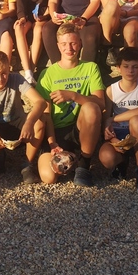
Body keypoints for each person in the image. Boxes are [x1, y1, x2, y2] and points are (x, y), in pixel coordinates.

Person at [36, 24, 105, 186]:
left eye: (73, 43)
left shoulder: (90, 68)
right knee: (49, 178)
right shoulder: (47, 74)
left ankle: (84, 164)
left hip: (79, 128)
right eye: (64, 44)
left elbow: (101, 103)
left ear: (80, 43)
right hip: (56, 131)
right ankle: (69, 156)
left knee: (91, 107)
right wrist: (52, 142)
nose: (69, 48)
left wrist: (73, 96)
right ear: (58, 46)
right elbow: (45, 114)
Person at [0, 51, 48, 184]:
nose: (0, 78)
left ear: (9, 70)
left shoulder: (16, 79)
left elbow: (40, 102)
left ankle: (27, 164)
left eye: (4, 73)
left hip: (16, 123)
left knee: (39, 122)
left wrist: (29, 122)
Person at [98, 47, 138, 193]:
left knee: (137, 120)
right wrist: (113, 139)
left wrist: (113, 119)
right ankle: (122, 161)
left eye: (135, 67)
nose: (130, 71)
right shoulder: (111, 90)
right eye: (126, 66)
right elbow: (105, 122)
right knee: (106, 158)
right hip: (119, 133)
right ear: (118, 68)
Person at [14, 0, 52, 84]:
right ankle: (28, 71)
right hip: (28, 16)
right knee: (18, 28)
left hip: (44, 14)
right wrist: (22, 17)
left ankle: (31, 69)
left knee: (38, 29)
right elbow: (20, 1)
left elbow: (53, 0)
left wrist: (45, 15)